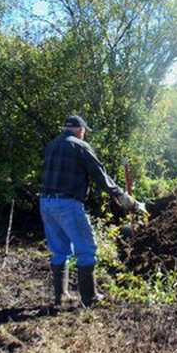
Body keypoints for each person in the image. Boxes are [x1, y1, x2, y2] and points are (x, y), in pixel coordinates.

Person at [39, 114, 146, 308]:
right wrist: (126, 199)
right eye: (84, 131)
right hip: (67, 204)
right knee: (86, 249)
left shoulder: (52, 145)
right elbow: (100, 177)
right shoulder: (80, 146)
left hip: (46, 203)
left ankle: (61, 297)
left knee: (59, 251)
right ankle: (90, 299)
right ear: (81, 130)